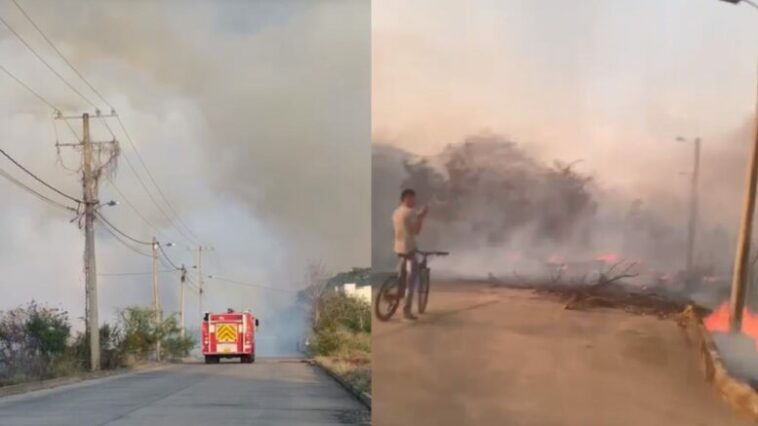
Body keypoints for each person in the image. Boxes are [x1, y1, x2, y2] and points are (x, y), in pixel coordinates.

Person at [392, 188, 428, 320]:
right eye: (411, 198)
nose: (413, 201)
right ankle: (406, 310)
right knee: (412, 281)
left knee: (402, 275)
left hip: (398, 248)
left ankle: (396, 294)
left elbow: (406, 222)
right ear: (405, 199)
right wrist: (422, 217)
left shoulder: (396, 212)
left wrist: (418, 216)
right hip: (409, 249)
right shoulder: (411, 212)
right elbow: (415, 231)